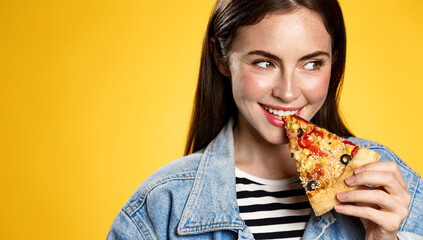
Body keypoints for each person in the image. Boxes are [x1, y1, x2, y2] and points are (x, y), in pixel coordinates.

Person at [107, 0, 423, 239]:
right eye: (264, 63)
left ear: (334, 60)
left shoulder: (391, 188)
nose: (287, 93)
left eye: (311, 64)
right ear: (221, 58)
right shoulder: (163, 205)